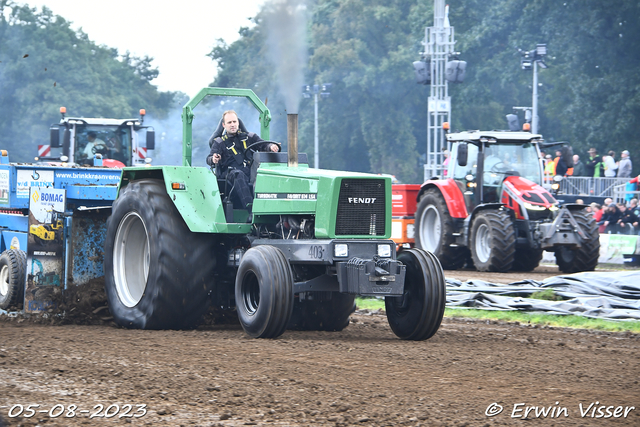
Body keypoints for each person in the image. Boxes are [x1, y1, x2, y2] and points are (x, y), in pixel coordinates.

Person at [206, 110, 278, 213]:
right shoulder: (219, 142)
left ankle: (273, 210)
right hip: (230, 176)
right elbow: (209, 159)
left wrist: (271, 146)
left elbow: (263, 144)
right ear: (224, 125)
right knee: (238, 174)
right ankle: (251, 210)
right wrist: (213, 159)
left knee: (265, 173)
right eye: (229, 122)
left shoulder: (250, 137)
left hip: (249, 173)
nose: (232, 125)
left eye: (234, 122)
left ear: (238, 123)